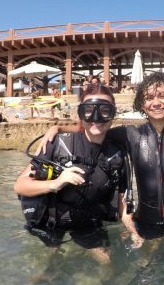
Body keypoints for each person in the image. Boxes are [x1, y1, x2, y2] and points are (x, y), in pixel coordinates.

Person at [37, 73, 164, 253]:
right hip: (146, 221)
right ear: (141, 104)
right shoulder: (130, 134)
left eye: (162, 96)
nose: (156, 102)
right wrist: (58, 128)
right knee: (148, 269)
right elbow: (94, 129)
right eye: (148, 98)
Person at [14, 85, 128, 264]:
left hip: (87, 222)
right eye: (88, 111)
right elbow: (20, 185)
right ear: (80, 115)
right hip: (53, 222)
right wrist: (55, 183)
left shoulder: (117, 154)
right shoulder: (58, 143)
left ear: (113, 115)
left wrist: (134, 231)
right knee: (50, 266)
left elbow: (123, 205)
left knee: (108, 263)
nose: (96, 118)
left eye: (105, 111)